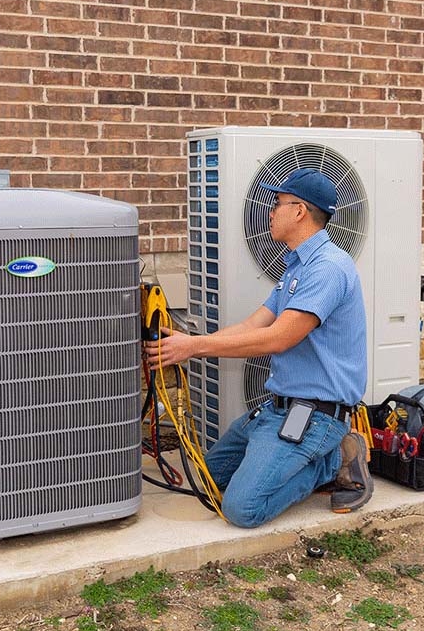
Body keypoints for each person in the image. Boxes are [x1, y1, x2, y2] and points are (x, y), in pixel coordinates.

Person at [143, 167, 372, 527]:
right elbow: (255, 324)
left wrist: (195, 347)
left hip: (314, 417)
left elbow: (278, 338)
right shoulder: (296, 267)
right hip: (277, 410)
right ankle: (289, 457)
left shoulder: (327, 268)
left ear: (299, 211)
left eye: (276, 203)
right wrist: (187, 343)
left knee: (242, 509)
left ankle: (330, 463)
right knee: (207, 479)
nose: (269, 211)